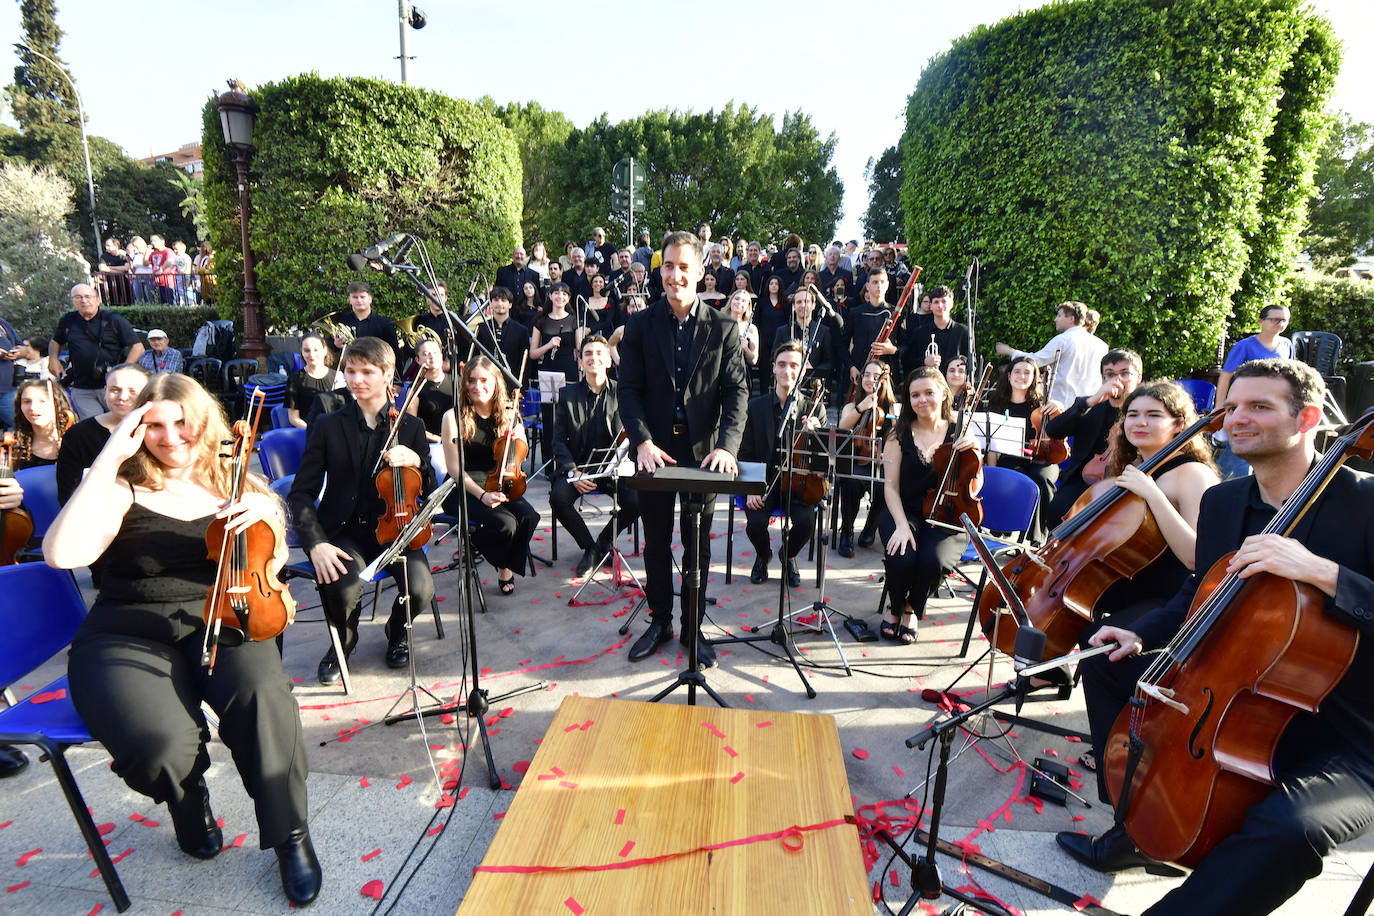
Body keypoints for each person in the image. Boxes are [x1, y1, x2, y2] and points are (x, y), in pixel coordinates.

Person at [1058, 359, 1374, 916]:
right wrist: (1138, 630)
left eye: (1260, 407)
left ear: (1308, 418)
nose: (1238, 419)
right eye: (1233, 406)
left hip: (1349, 732)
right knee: (1106, 665)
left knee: (1287, 828)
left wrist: (1324, 573)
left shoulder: (1366, 503)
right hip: (1237, 696)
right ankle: (1134, 825)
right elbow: (1197, 593)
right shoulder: (1225, 503)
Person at [43, 373, 321, 905]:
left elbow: (273, 563)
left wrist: (269, 516)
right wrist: (105, 461)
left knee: (266, 703)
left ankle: (291, 836)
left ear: (203, 422)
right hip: (127, 629)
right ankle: (187, 796)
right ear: (133, 429)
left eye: (181, 423)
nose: (169, 437)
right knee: (159, 747)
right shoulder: (121, 484)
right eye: (153, 426)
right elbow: (61, 554)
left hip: (225, 617)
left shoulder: (234, 477)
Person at [1063, 380, 1219, 772]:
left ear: (1179, 423)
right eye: (1132, 414)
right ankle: (1058, 688)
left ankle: (1123, 749)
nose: (1140, 422)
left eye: (1153, 415)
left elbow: (1196, 558)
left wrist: (1152, 495)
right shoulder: (1129, 470)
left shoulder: (1192, 475)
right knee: (1070, 613)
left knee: (1098, 648)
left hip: (1170, 598)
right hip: (1126, 587)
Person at [618, 230, 748, 668]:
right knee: (655, 541)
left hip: (703, 452)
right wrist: (642, 442)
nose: (675, 275)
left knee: (698, 545)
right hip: (655, 450)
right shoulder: (639, 325)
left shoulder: (724, 328)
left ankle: (693, 627)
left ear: (699, 272)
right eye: (668, 266)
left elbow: (736, 394)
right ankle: (661, 621)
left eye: (683, 267)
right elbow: (629, 391)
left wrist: (728, 447)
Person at [287, 337, 436, 685]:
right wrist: (316, 543)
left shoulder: (410, 427)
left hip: (396, 530)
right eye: (351, 371)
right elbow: (301, 493)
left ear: (387, 375)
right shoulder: (327, 425)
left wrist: (417, 461)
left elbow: (426, 487)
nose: (357, 380)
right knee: (342, 587)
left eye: (367, 371)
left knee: (421, 590)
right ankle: (344, 641)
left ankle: (396, 630)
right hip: (346, 530)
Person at [876, 368, 979, 644]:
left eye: (929, 393)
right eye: (915, 395)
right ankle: (895, 606)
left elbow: (975, 484)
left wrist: (974, 454)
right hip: (905, 510)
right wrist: (900, 525)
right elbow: (891, 487)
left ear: (944, 394)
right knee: (901, 557)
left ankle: (911, 607)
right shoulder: (897, 435)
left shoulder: (962, 432)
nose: (922, 400)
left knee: (933, 561)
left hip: (948, 512)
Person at [440, 356, 539, 595]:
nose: (477, 386)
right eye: (471, 381)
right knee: (505, 524)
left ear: (495, 383)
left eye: (484, 380)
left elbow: (518, 454)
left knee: (528, 517)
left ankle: (483, 545)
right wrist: (482, 495)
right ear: (464, 384)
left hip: (497, 479)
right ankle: (504, 567)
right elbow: (454, 469)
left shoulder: (508, 413)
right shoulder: (453, 417)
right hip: (462, 485)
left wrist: (518, 438)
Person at [550, 335, 640, 577]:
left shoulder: (624, 393)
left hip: (614, 469)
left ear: (609, 361)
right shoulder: (567, 395)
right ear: (580, 361)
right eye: (588, 354)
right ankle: (589, 548)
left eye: (599, 353)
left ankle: (602, 542)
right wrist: (573, 471)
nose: (593, 358)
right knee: (558, 498)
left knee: (637, 502)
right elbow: (557, 440)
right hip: (579, 468)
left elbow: (632, 434)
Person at [739, 340, 825, 587]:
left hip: (800, 484)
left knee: (807, 522)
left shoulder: (813, 408)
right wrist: (751, 487)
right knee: (755, 525)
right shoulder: (755, 408)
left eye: (794, 366)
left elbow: (822, 461)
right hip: (764, 481)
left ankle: (788, 555)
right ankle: (763, 555)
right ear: (774, 368)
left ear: (802, 370)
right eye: (782, 365)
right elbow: (744, 452)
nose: (788, 371)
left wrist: (815, 436)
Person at [1042, 348, 1143, 528]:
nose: (1117, 380)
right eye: (1110, 374)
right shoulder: (1090, 405)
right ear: (1103, 379)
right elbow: (1053, 430)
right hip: (1084, 479)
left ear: (1138, 378)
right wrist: (1089, 402)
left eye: (1125, 374)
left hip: (1125, 482)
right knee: (1057, 510)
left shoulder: (1144, 413)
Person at [1212, 304, 1293, 480]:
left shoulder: (1287, 345)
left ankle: (1213, 479)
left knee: (1241, 450)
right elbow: (1226, 377)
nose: (1279, 323)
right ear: (1261, 321)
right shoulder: (1244, 346)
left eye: (1284, 320)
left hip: (1270, 407)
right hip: (1245, 406)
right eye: (1275, 319)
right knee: (1247, 449)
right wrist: (1220, 407)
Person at [984, 356, 1059, 544]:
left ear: (1034, 377)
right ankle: (1005, 526)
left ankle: (1036, 539)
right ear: (1009, 376)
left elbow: (1060, 429)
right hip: (1012, 457)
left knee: (1042, 479)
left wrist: (1059, 408)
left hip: (1043, 456)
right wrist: (992, 472)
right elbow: (992, 443)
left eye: (1028, 372)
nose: (1022, 376)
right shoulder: (997, 403)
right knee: (1008, 476)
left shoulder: (1042, 403)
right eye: (1017, 371)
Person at [56, 364, 151, 504]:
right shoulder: (78, 435)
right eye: (115, 390)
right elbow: (68, 494)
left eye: (132, 391)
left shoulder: (157, 431)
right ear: (105, 392)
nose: (123, 397)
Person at [49, 283, 144, 419]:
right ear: (73, 301)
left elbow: (138, 348)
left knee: (123, 422)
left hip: (114, 387)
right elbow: (55, 341)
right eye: (78, 297)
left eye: (88, 296)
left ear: (98, 300)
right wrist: (53, 359)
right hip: (82, 387)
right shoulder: (67, 320)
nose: (84, 300)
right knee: (94, 428)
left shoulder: (114, 320)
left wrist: (123, 370)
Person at [995, 301, 1108, 406]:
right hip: (1091, 406)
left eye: (1059, 315)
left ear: (1071, 319)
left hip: (1062, 406)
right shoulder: (1102, 345)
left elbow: (1035, 361)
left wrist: (1009, 351)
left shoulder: (1063, 340)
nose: (1055, 319)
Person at [837, 360, 896, 557]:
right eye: (867, 375)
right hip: (856, 459)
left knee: (884, 486)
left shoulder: (892, 408)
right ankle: (846, 530)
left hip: (881, 461)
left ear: (884, 380)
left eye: (876, 376)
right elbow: (843, 427)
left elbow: (898, 437)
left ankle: (871, 528)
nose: (870, 379)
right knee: (850, 482)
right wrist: (862, 407)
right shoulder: (851, 406)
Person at [844, 266, 902, 388]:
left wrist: (893, 350)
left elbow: (907, 346)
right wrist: (851, 367)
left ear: (887, 285)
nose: (879, 286)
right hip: (859, 372)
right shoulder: (855, 313)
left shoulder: (895, 313)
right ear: (868, 286)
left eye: (882, 282)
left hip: (885, 375)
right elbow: (842, 345)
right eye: (875, 282)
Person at [901, 285, 969, 374]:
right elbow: (906, 362)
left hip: (954, 384)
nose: (940, 306)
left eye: (944, 301)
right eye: (936, 302)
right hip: (929, 384)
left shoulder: (963, 332)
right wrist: (924, 362)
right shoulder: (920, 333)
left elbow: (971, 363)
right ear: (931, 306)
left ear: (952, 304)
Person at [11, 378, 75, 469]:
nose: (33, 407)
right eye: (27, 401)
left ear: (56, 404)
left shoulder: (76, 442)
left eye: (42, 402)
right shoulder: (15, 444)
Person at [330, 281, 399, 362]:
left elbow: (394, 352)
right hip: (349, 367)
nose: (359, 300)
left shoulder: (384, 323)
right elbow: (330, 348)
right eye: (355, 297)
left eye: (362, 297)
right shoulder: (341, 321)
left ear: (370, 299)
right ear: (349, 300)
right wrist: (335, 345)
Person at [285, 332, 343, 429]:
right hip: (307, 434)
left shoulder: (338, 377)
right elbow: (294, 418)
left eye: (316, 350)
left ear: (324, 351)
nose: (312, 355)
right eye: (307, 350)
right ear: (302, 352)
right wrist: (315, 431)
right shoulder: (294, 379)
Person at [404, 337, 453, 442]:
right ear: (417, 360)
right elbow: (411, 425)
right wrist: (437, 439)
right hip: (433, 444)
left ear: (441, 355)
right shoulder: (415, 389)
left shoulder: (457, 381)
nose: (432, 356)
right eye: (426, 354)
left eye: (435, 352)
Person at [0, 313, 25, 429]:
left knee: (21, 425)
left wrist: (20, 352)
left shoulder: (2, 322)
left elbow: (20, 345)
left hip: (7, 388)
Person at [726, 290, 760, 372]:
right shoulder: (719, 322)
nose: (739, 302)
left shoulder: (751, 328)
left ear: (747, 306)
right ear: (731, 301)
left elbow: (753, 360)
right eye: (737, 299)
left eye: (743, 301)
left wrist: (745, 348)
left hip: (740, 372)